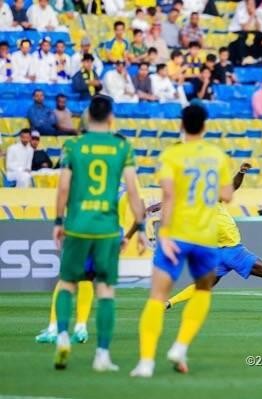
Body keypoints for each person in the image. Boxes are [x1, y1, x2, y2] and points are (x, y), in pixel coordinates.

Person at [130, 105, 233, 378]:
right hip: (205, 236)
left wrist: (163, 234)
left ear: (182, 125)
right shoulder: (217, 156)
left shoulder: (171, 155)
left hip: (176, 234)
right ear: (205, 125)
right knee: (202, 291)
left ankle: (146, 363)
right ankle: (180, 346)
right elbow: (227, 194)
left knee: (157, 297)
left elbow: (169, 197)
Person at [52, 95, 147, 371]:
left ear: (86, 117)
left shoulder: (73, 145)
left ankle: (62, 337)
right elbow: (132, 190)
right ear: (110, 118)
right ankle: (102, 355)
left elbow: (63, 188)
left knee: (68, 284)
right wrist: (140, 227)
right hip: (107, 230)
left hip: (77, 226)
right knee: (105, 291)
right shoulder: (122, 147)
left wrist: (59, 221)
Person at [166, 162, 262, 312]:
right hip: (233, 251)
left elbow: (232, 186)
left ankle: (168, 303)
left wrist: (241, 172)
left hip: (219, 252)